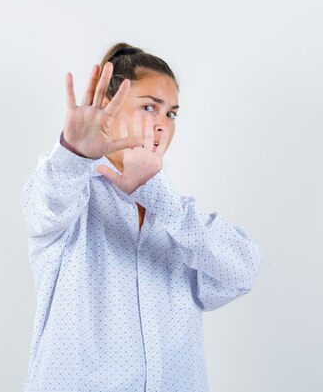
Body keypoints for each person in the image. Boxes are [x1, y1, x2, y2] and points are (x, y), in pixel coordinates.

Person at [20, 42, 262, 392]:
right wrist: (73, 153)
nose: (162, 125)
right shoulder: (68, 192)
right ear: (108, 107)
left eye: (172, 114)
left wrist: (158, 197)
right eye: (150, 107)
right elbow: (46, 208)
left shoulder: (177, 217)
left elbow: (242, 272)